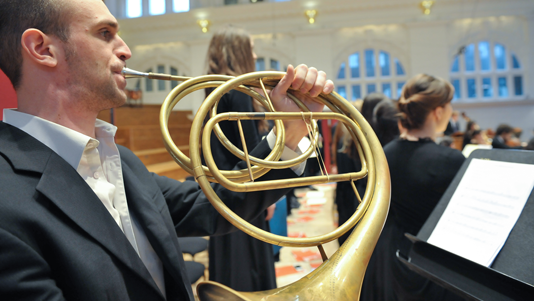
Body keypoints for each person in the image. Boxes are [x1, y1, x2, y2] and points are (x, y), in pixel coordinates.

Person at [0, 1, 335, 300]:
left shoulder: (122, 161)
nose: (126, 50)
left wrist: (289, 132)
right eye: (104, 33)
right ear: (42, 48)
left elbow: (217, 205)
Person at [361, 74, 466, 301]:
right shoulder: (450, 159)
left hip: (391, 259)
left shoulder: (384, 154)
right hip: (436, 265)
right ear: (438, 112)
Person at [203, 25, 277, 292]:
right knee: (250, 266)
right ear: (239, 52)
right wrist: (265, 195)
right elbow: (253, 153)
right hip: (245, 187)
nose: (255, 56)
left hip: (223, 187)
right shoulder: (239, 90)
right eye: (252, 49)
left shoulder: (213, 86)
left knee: (230, 262)